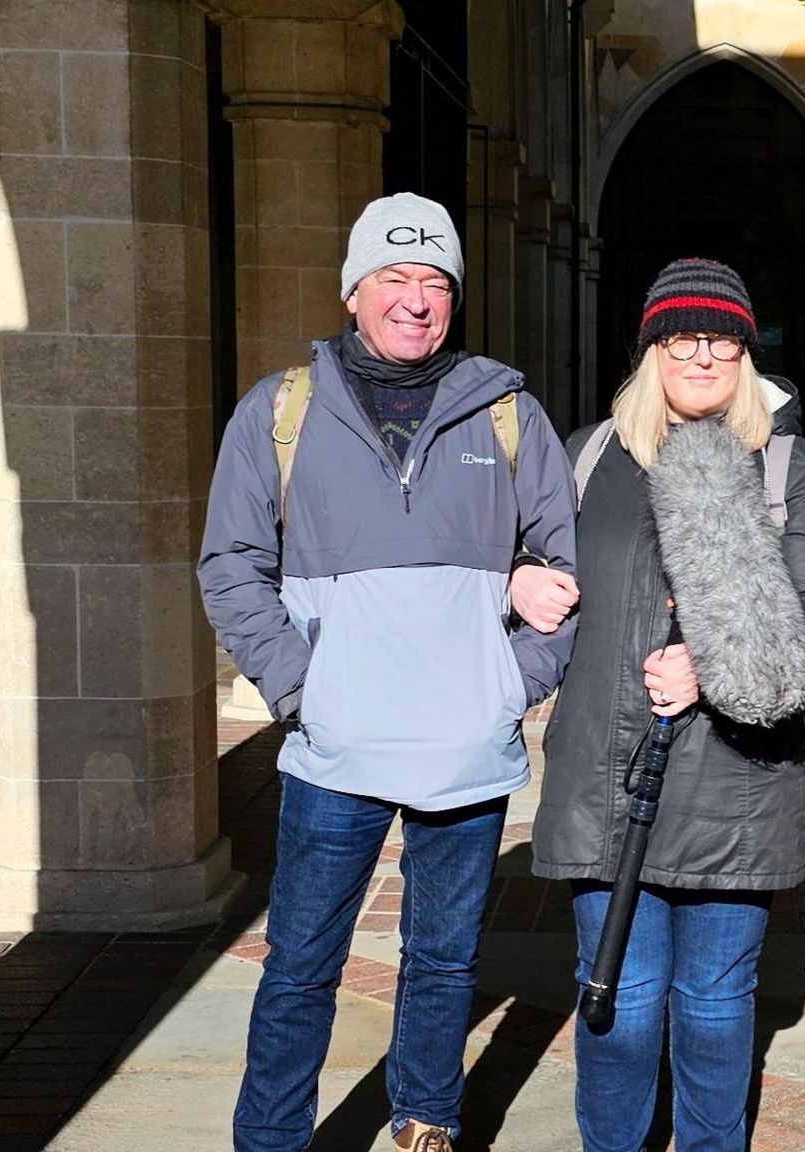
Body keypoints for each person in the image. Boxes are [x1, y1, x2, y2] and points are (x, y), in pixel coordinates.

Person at [198, 192, 579, 1152]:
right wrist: (300, 688)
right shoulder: (280, 411)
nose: (417, 300)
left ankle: (427, 1123)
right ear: (353, 292)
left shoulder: (508, 413)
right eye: (394, 278)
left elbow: (568, 573)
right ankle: (271, 1139)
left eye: (435, 281)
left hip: (465, 747)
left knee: (444, 962)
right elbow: (229, 565)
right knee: (300, 966)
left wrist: (509, 684)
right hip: (335, 748)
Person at [527, 258, 805, 1152]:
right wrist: (522, 579)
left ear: (746, 353)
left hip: (736, 783)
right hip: (604, 775)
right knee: (617, 1006)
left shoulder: (791, 465)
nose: (702, 355)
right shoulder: (589, 455)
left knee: (712, 1011)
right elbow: (527, 560)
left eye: (722, 338)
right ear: (651, 350)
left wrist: (713, 665)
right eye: (682, 337)